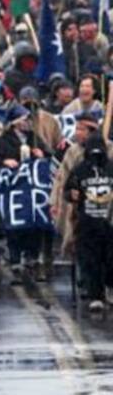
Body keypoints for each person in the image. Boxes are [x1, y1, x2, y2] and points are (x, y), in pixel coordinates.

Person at [65, 134, 113, 316]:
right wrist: (72, 194)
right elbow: (68, 190)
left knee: (109, 259)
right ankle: (96, 296)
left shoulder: (111, 168)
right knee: (90, 261)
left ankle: (109, 285)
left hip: (110, 223)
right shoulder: (80, 170)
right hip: (87, 223)